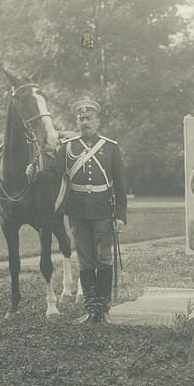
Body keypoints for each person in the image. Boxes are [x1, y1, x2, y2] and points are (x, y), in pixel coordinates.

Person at [28, 99, 127, 324]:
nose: (84, 122)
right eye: (81, 119)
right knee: (86, 261)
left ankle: (104, 311)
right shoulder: (68, 147)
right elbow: (53, 175)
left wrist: (120, 216)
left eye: (89, 118)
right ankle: (91, 311)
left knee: (103, 259)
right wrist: (34, 174)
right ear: (77, 122)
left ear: (97, 121)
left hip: (103, 211)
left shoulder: (110, 147)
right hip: (77, 213)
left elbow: (120, 184)